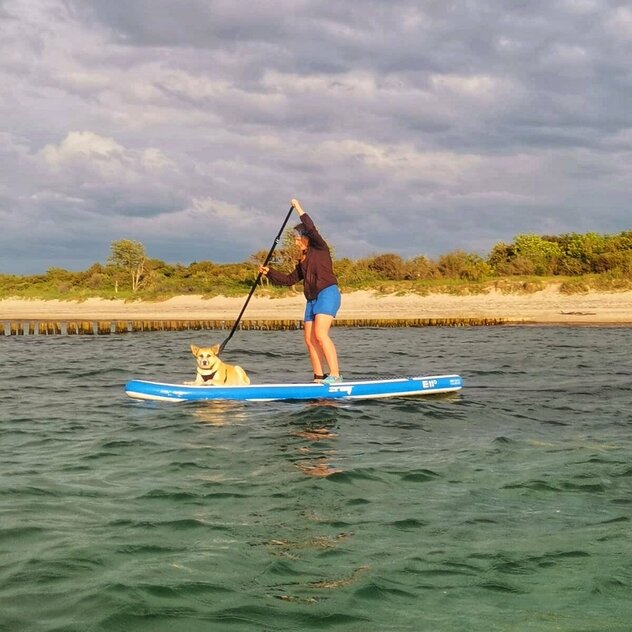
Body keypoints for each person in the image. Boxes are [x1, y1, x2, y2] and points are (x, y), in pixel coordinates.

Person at [259, 199, 342, 384]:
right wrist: (269, 272)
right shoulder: (302, 261)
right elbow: (289, 280)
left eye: (297, 238)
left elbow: (311, 227)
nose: (296, 242)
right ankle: (319, 377)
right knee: (309, 339)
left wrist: (298, 208)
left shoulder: (320, 247)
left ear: (306, 237)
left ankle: (335, 375)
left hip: (327, 293)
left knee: (320, 335)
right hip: (311, 299)